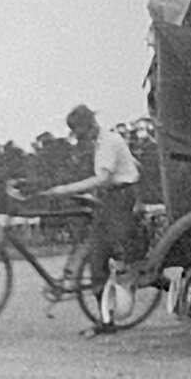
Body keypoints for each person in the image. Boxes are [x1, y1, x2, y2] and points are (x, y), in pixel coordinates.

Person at [34, 105, 146, 320]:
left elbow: (104, 178)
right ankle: (106, 318)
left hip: (120, 198)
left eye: (80, 132)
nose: (80, 138)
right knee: (98, 257)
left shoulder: (109, 142)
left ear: (90, 125)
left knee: (119, 257)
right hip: (112, 197)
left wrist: (65, 190)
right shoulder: (102, 143)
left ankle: (164, 286)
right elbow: (130, 166)